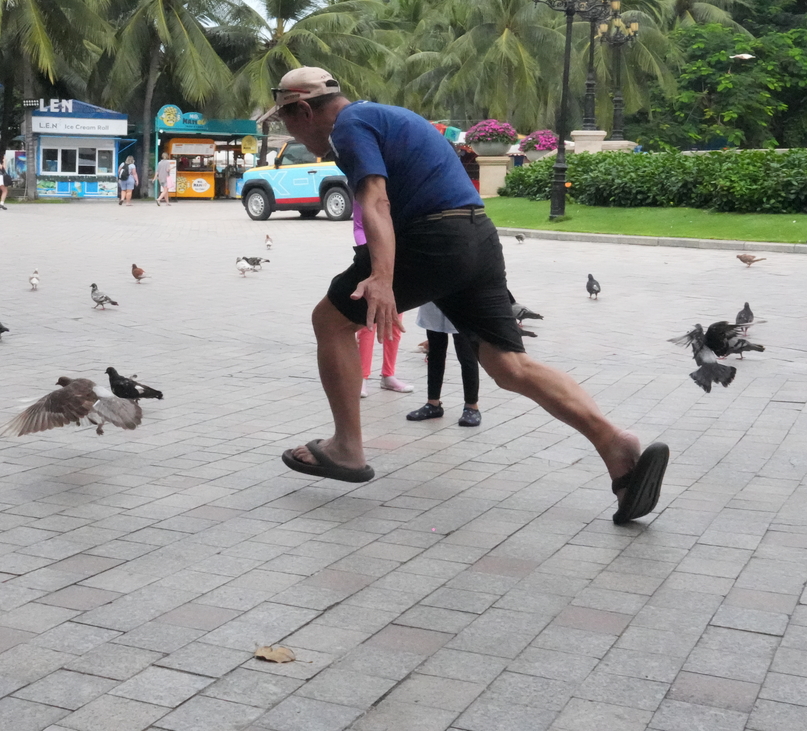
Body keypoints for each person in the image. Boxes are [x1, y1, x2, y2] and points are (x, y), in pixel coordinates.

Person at [261, 66, 668, 523]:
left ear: (303, 109)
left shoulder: (349, 127)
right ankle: (614, 443)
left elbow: (376, 200)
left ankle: (347, 448)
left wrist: (381, 277)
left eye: (286, 121)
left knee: (330, 321)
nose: (290, 133)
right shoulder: (384, 115)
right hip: (477, 236)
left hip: (432, 239)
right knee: (509, 366)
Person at [352, 199, 410, 396]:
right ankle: (361, 376)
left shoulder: (397, 192)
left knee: (395, 320)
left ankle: (388, 374)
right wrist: (371, 253)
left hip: (397, 264)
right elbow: (359, 228)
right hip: (371, 263)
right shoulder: (364, 192)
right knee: (368, 324)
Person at [406, 302, 481, 426]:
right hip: (434, 298)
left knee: (466, 354)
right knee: (435, 352)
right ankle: (433, 403)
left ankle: (472, 405)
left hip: (462, 300)